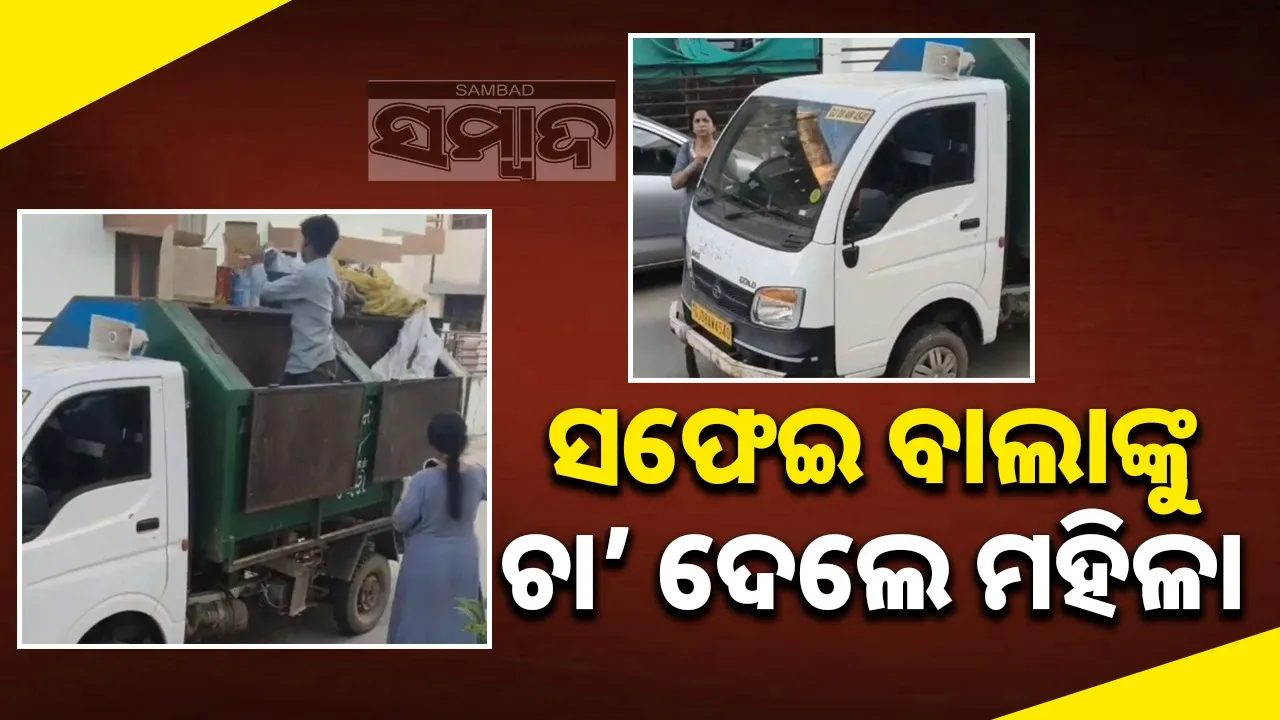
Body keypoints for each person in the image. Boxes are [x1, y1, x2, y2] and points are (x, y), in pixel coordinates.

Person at [387, 411, 487, 644]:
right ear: (464, 440)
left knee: (418, 619)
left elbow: (400, 522)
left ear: (433, 443)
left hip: (425, 559)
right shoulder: (480, 474)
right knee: (459, 620)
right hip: (465, 556)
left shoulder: (422, 479)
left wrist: (405, 490)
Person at [251, 215, 345, 385]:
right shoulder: (328, 271)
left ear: (307, 241)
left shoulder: (309, 275)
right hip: (325, 361)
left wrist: (257, 264)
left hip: (308, 365)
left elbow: (265, 292)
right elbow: (339, 312)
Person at [670, 107, 717, 232]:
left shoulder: (721, 148)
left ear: (714, 126)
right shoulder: (686, 149)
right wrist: (694, 165)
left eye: (706, 120)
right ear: (692, 128)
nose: (701, 124)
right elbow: (675, 183)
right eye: (697, 121)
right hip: (691, 208)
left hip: (717, 210)